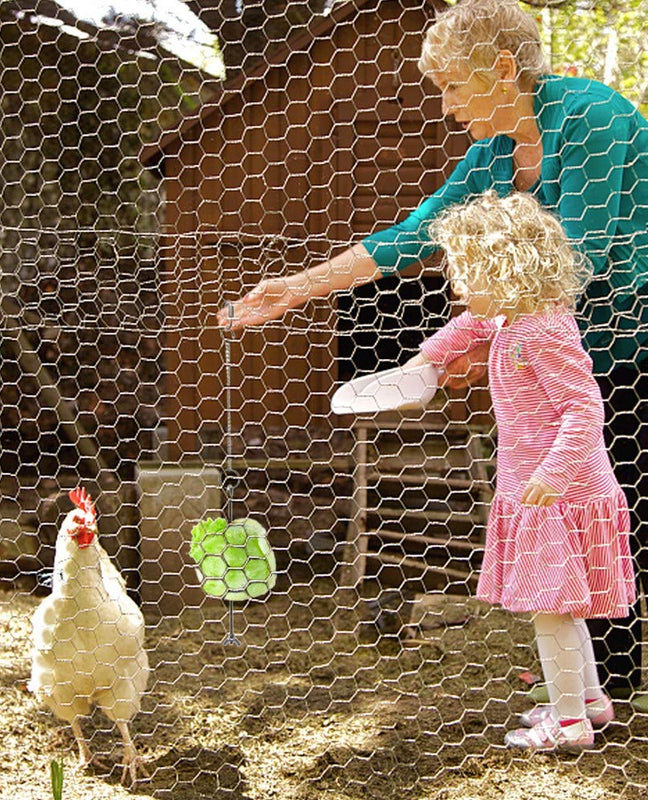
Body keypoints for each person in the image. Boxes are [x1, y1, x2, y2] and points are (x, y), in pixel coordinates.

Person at [215, 0, 648, 702]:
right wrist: (296, 289)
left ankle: (603, 686)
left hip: (632, 345)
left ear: (504, 70)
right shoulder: (495, 153)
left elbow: (577, 259)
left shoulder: (591, 118)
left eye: (452, 86)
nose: (445, 108)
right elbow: (415, 235)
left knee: (621, 507)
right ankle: (601, 687)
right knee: (571, 514)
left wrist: (494, 345)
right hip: (564, 353)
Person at [409, 190, 635, 751]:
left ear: (505, 271)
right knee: (564, 606)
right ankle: (587, 700)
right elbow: (470, 326)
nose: (458, 288)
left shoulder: (541, 333)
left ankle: (569, 725)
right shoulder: (517, 316)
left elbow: (585, 409)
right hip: (539, 490)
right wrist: (426, 357)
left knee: (550, 612)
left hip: (553, 496)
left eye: (466, 274)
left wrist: (554, 474)